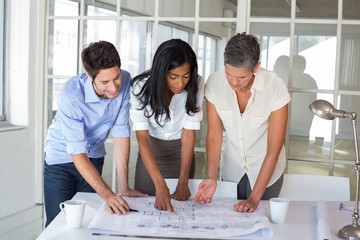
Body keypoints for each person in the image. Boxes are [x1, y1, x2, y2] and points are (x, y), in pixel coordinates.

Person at [43, 40, 146, 227]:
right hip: (61, 160)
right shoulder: (70, 96)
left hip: (94, 156)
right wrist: (107, 194)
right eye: (105, 82)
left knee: (90, 220)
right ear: (89, 76)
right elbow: (77, 152)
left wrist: (123, 187)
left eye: (116, 78)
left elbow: (121, 131)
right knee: (58, 223)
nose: (114, 87)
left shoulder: (125, 79)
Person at [194, 33, 291, 212]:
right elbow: (214, 135)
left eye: (241, 77)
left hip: (266, 170)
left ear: (256, 67)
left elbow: (274, 150)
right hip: (232, 168)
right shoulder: (214, 83)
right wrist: (211, 177)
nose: (234, 82)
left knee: (261, 222)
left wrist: (254, 199)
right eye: (229, 74)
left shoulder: (275, 87)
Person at [130, 39, 204, 213]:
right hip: (151, 155)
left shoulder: (197, 83)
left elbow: (188, 134)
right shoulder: (139, 87)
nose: (180, 84)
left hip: (182, 156)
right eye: (173, 76)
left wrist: (183, 180)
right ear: (161, 72)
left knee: (181, 215)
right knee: (147, 215)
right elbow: (142, 138)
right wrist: (159, 184)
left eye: (186, 76)